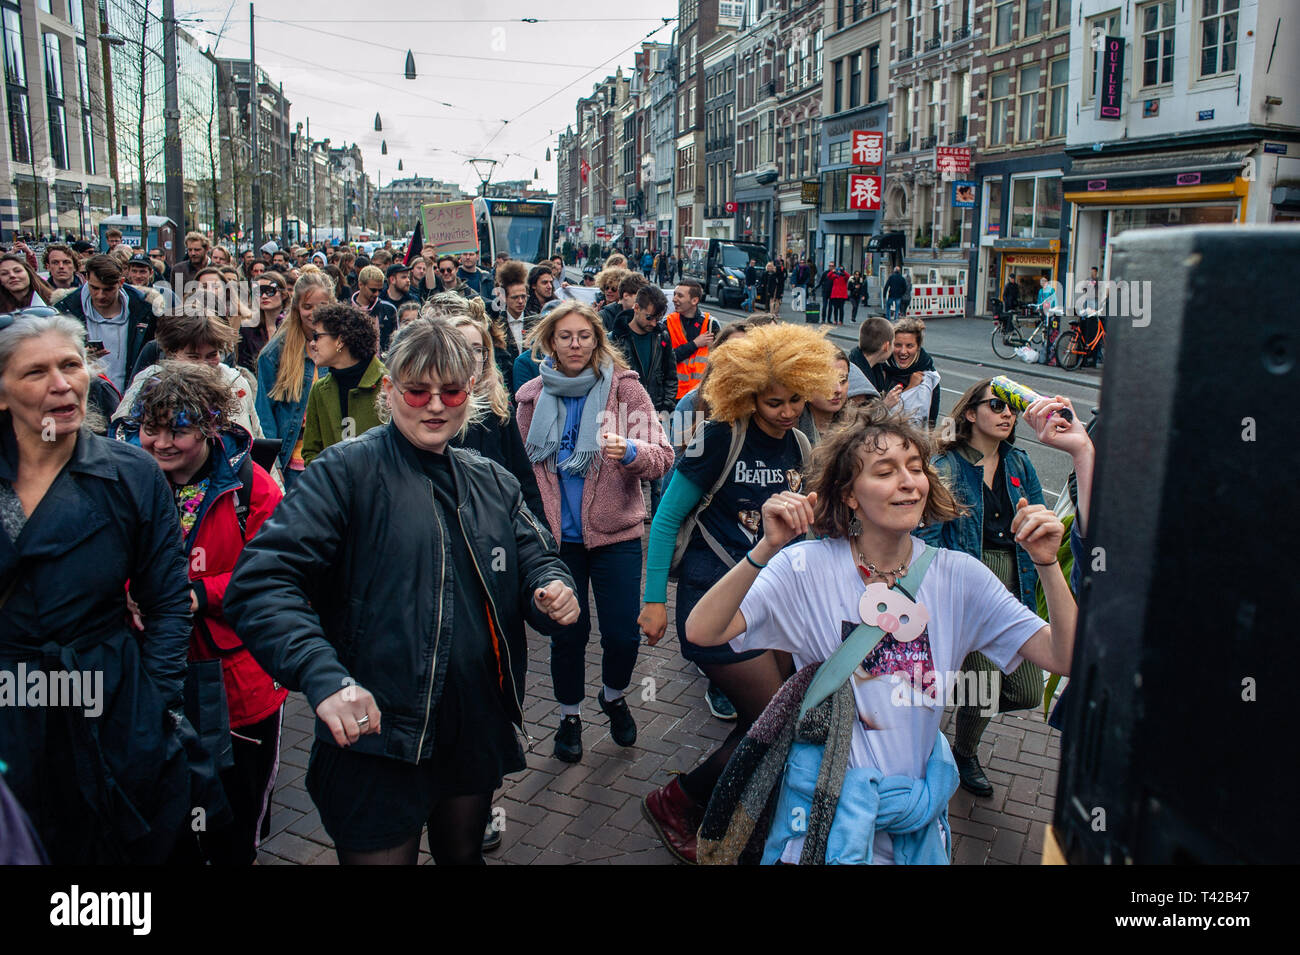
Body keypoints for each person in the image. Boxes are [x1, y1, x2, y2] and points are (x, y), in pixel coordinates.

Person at [223, 319, 580, 866]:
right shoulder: (347, 471)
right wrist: (324, 676)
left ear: (471, 394)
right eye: (417, 390)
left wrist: (551, 587)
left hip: (471, 726)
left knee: (464, 857)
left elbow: (535, 554)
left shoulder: (491, 479)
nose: (434, 406)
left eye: (451, 391)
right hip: (377, 734)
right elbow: (262, 581)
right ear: (389, 393)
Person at [682, 400, 1077, 865]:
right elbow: (703, 631)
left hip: (914, 817)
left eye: (915, 467)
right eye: (885, 471)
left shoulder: (960, 577)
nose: (908, 481)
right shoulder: (805, 566)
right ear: (850, 494)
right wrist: (765, 549)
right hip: (822, 817)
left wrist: (1047, 564)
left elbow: (1063, 656)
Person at [637, 322, 836, 862]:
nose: (789, 410)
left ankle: (725, 808)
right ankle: (676, 801)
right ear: (749, 393)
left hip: (770, 604)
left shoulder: (800, 441)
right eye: (775, 401)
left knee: (773, 721)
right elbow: (665, 519)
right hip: (713, 599)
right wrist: (654, 601)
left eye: (797, 397)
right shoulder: (722, 434)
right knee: (776, 721)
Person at [0, 310, 192, 863]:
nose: (62, 385)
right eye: (36, 373)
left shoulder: (131, 474)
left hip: (108, 700)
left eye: (72, 365)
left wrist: (153, 708)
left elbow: (167, 602)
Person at [116, 360, 287, 864]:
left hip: (238, 685)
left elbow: (275, 572)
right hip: (151, 676)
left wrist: (199, 593)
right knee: (164, 819)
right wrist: (121, 591)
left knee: (232, 822)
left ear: (211, 426)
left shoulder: (252, 486)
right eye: (151, 428)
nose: (162, 443)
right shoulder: (123, 479)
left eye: (179, 430)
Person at [515, 302, 674, 762]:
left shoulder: (625, 391)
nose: (575, 344)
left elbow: (662, 456)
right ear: (550, 341)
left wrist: (629, 451)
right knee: (568, 633)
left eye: (584, 335)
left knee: (622, 635)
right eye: (565, 336)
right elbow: (522, 475)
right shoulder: (529, 398)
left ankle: (614, 695)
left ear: (597, 338)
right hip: (558, 542)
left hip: (616, 535)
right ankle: (569, 716)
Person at [916, 379, 1047, 797]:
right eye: (997, 405)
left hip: (1017, 579)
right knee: (985, 688)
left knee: (1027, 690)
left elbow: (1039, 518)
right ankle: (964, 752)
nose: (1008, 413)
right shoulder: (947, 465)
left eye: (1011, 407)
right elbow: (930, 541)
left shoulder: (1019, 463)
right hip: (971, 582)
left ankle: (965, 703)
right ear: (971, 413)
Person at [113, 310, 262, 440]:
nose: (203, 365)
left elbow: (255, 434)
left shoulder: (235, 382)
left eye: (211, 355)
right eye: (193, 357)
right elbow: (122, 430)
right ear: (171, 353)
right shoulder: (151, 381)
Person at [255, 270, 333, 486]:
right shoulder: (275, 353)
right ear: (297, 308)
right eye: (308, 307)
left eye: (322, 306)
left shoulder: (342, 347)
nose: (314, 313)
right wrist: (273, 466)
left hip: (332, 459)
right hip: (292, 465)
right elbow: (264, 414)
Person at [55, 254, 157, 393]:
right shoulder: (66, 311)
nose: (100, 295)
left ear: (121, 283)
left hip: (129, 396)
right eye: (94, 288)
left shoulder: (143, 312)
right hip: (85, 397)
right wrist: (79, 357)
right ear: (86, 280)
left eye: (108, 289)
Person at [300, 303, 386, 466]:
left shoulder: (388, 385)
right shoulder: (319, 390)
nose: (312, 343)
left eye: (317, 336)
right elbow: (311, 452)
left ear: (340, 340)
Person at [663, 279, 719, 400]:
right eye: (674, 294)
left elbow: (720, 361)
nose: (674, 299)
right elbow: (664, 359)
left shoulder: (711, 324)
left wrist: (711, 348)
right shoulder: (667, 323)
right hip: (673, 394)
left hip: (701, 394)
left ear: (694, 300)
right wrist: (695, 344)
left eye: (680, 296)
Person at [881, 317, 940, 429]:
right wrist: (911, 387)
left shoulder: (928, 376)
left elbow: (930, 420)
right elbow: (873, 415)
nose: (903, 351)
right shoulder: (881, 369)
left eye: (909, 346)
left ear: (918, 347)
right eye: (898, 345)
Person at [796, 346, 852, 445]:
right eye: (827, 382)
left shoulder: (857, 428)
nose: (838, 390)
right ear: (806, 383)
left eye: (843, 380)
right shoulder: (790, 430)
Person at [240, 271, 287, 374]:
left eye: (270, 291)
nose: (264, 296)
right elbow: (244, 366)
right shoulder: (247, 329)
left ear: (283, 294)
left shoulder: (293, 326)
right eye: (258, 292)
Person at [848, 316, 902, 403]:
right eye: (894, 343)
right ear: (886, 346)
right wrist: (885, 405)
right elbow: (860, 413)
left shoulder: (870, 366)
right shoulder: (856, 379)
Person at [351, 264, 398, 355]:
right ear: (360, 284)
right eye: (373, 290)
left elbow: (396, 342)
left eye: (380, 290)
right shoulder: (345, 309)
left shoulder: (389, 309)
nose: (377, 294)